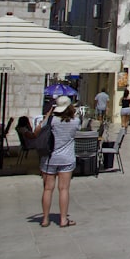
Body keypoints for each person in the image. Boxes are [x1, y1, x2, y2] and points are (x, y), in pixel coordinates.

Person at [31, 95, 80, 227]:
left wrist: (49, 114)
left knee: (48, 189)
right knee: (64, 189)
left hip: (49, 158)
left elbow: (36, 131)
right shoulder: (75, 121)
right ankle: (63, 219)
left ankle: (45, 219)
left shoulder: (51, 120)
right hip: (67, 158)